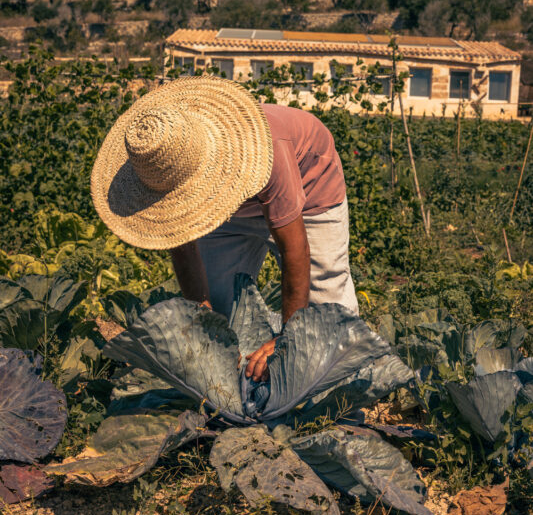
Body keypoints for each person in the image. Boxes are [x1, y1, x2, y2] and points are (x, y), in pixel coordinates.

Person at [91, 75, 357, 383]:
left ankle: (346, 384)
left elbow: (295, 249)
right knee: (221, 309)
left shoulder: (266, 150)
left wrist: (288, 341)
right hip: (227, 206)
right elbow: (183, 243)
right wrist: (204, 321)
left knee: (326, 305)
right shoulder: (164, 166)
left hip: (309, 186)